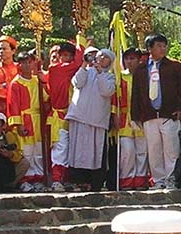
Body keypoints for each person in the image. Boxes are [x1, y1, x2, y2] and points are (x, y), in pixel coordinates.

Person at [130, 33, 181, 189]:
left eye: (164, 46)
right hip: (149, 115)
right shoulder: (141, 69)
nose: (162, 49)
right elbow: (135, 93)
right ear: (150, 48)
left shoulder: (175, 66)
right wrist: (135, 115)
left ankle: (171, 179)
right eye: (158, 46)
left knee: (171, 149)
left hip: (169, 115)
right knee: (154, 150)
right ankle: (158, 180)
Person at [58, 48, 115, 191]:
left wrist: (100, 72)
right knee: (78, 153)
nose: (101, 59)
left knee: (94, 155)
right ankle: (77, 181)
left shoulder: (110, 77)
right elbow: (77, 82)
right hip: (79, 117)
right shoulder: (86, 71)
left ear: (110, 62)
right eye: (100, 56)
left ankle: (94, 182)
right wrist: (84, 65)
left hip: (96, 120)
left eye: (105, 57)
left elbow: (106, 91)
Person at [6, 51, 50, 191]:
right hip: (25, 120)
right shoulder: (16, 83)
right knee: (26, 151)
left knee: (38, 151)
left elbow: (46, 98)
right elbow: (13, 105)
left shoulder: (37, 81)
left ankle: (38, 177)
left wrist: (43, 82)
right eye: (23, 62)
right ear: (19, 64)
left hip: (37, 120)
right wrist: (18, 124)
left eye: (29, 62)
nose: (27, 65)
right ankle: (25, 179)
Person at [46, 41, 87, 188]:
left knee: (73, 149)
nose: (67, 58)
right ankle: (57, 180)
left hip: (74, 115)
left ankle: (68, 179)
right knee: (60, 149)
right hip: (60, 115)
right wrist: (80, 42)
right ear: (58, 56)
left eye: (70, 55)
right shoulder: (56, 69)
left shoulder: (72, 69)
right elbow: (79, 62)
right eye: (64, 55)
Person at [115, 47, 151, 190]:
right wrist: (114, 115)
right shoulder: (120, 77)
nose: (129, 62)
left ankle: (141, 180)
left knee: (142, 150)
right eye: (127, 59)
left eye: (132, 59)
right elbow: (114, 99)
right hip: (124, 118)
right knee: (127, 151)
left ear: (139, 60)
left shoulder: (145, 76)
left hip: (141, 118)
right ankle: (127, 180)